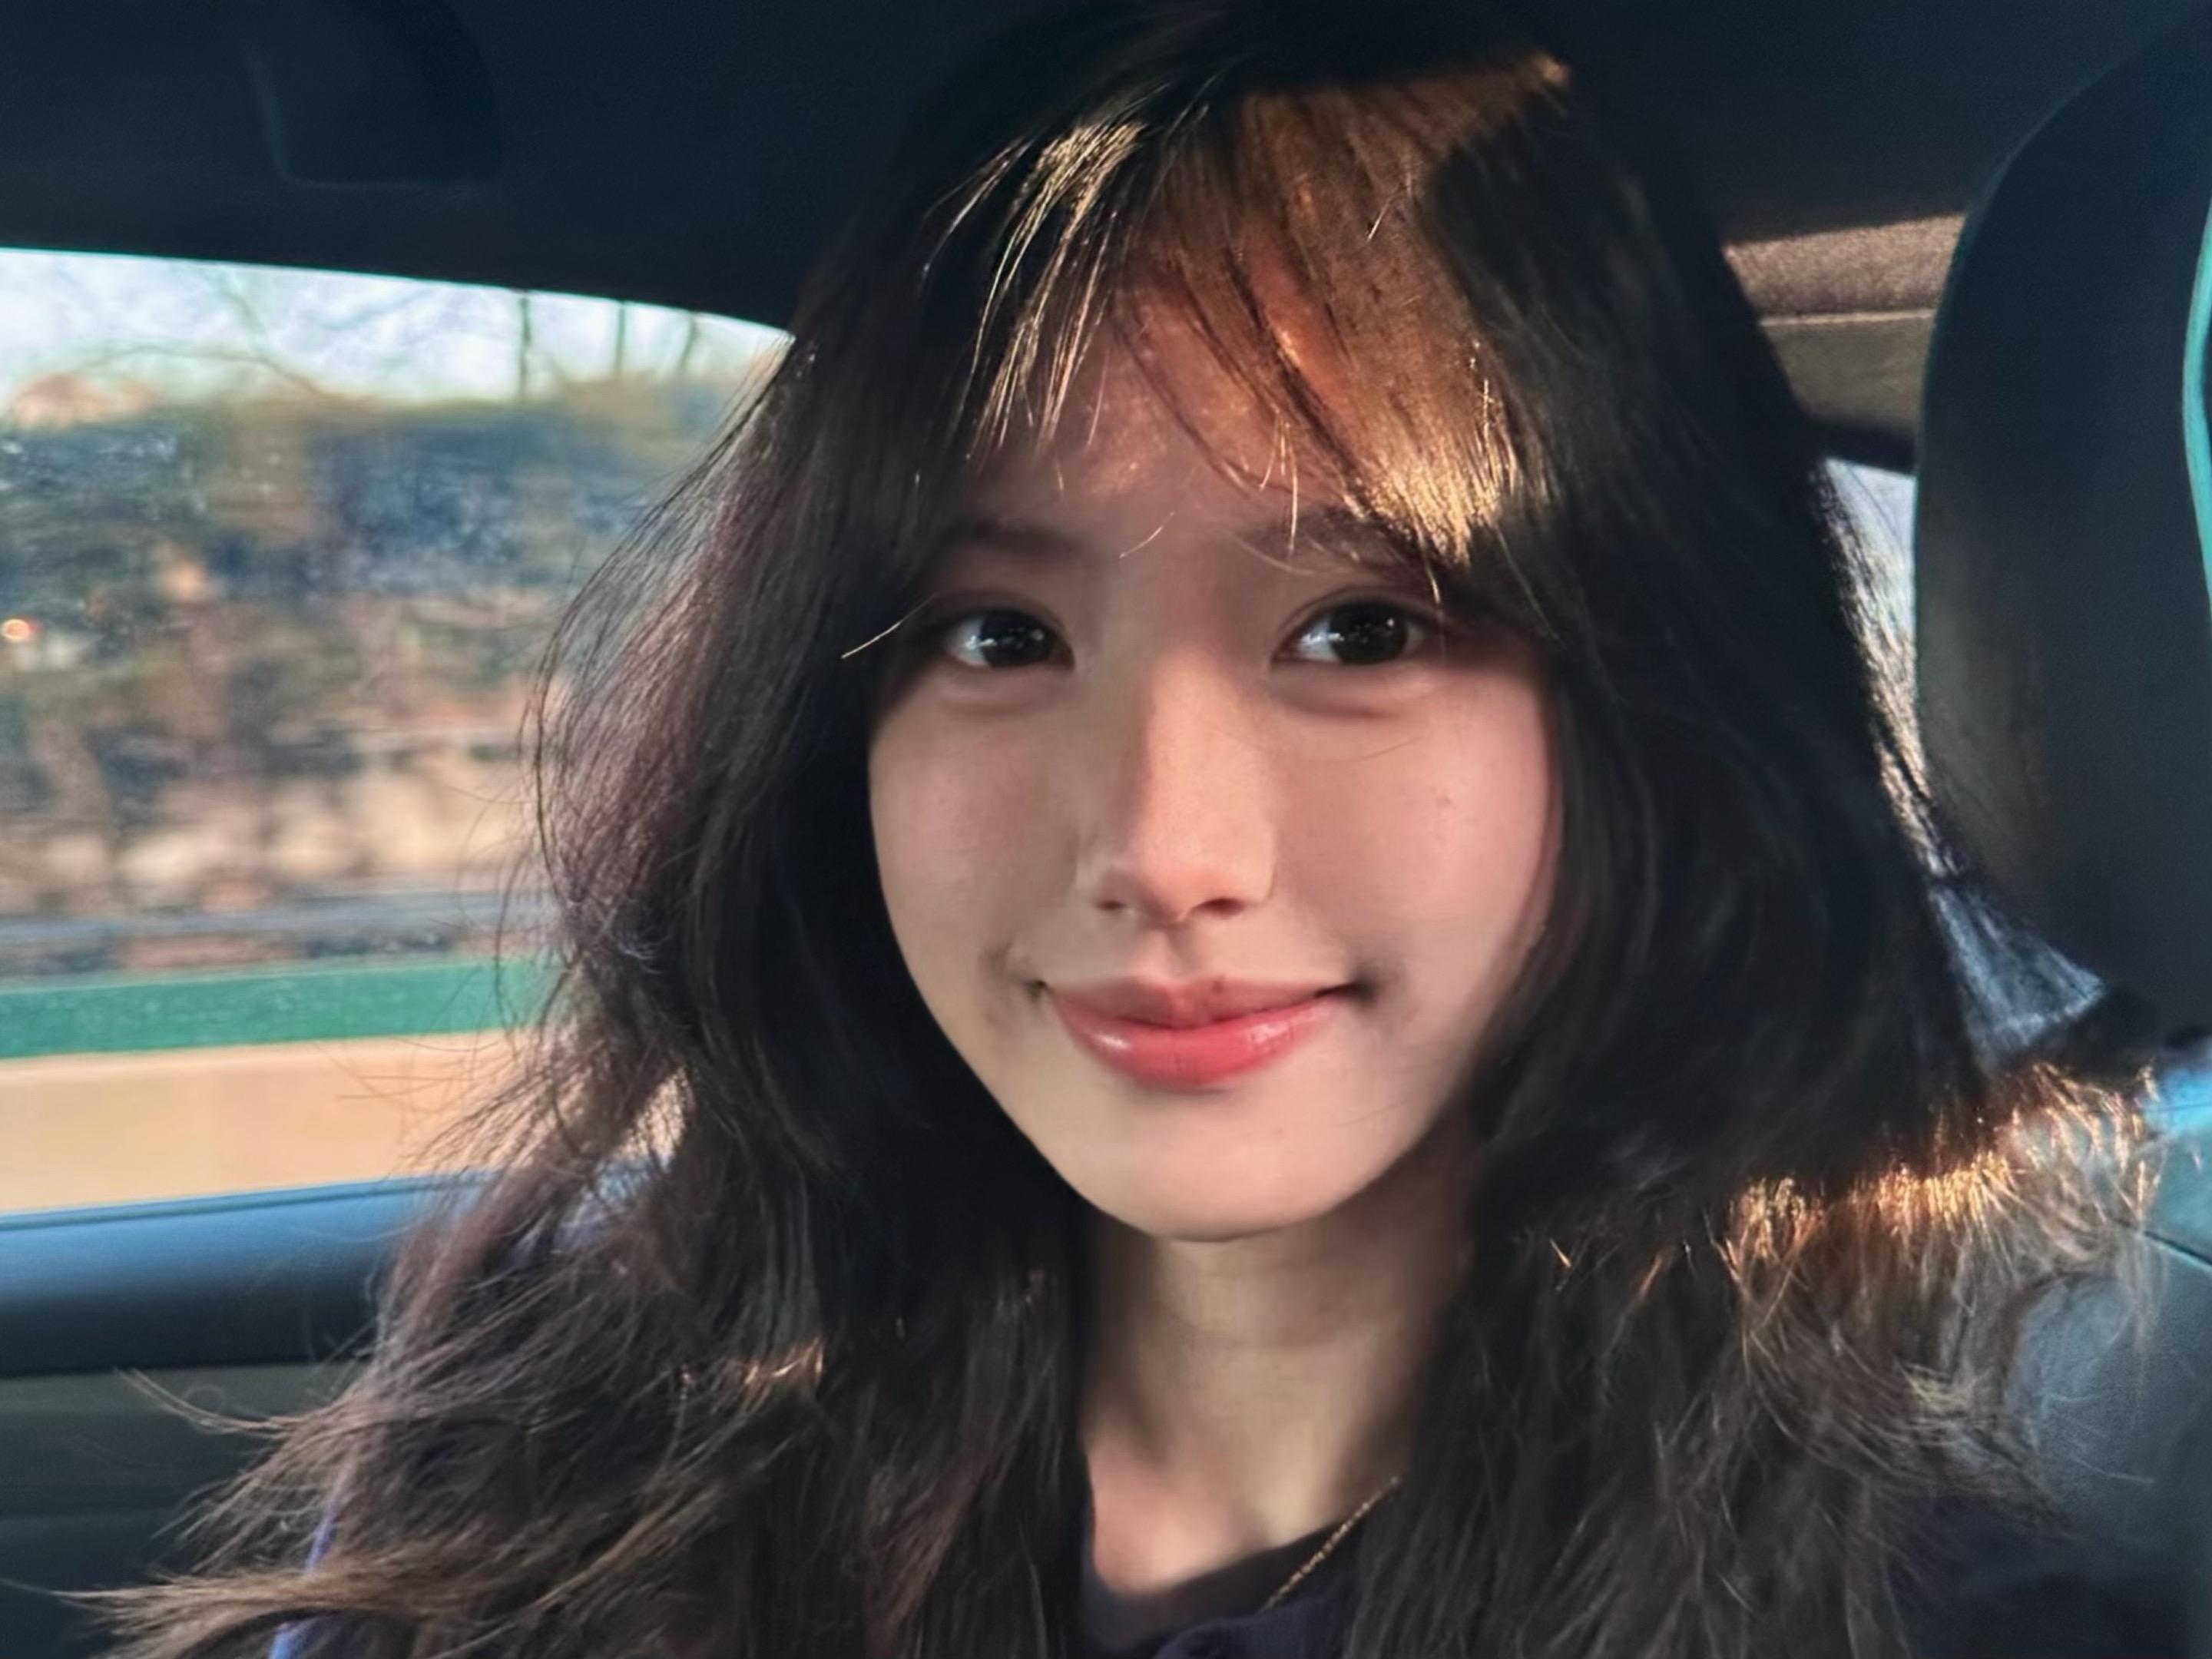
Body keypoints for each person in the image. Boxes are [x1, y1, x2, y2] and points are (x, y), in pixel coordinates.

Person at [104, 2, 2171, 1656]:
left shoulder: (1906, 1616)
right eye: (998, 635)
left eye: (1361, 630)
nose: (1168, 851)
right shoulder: (544, 1445)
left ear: (1653, 707)